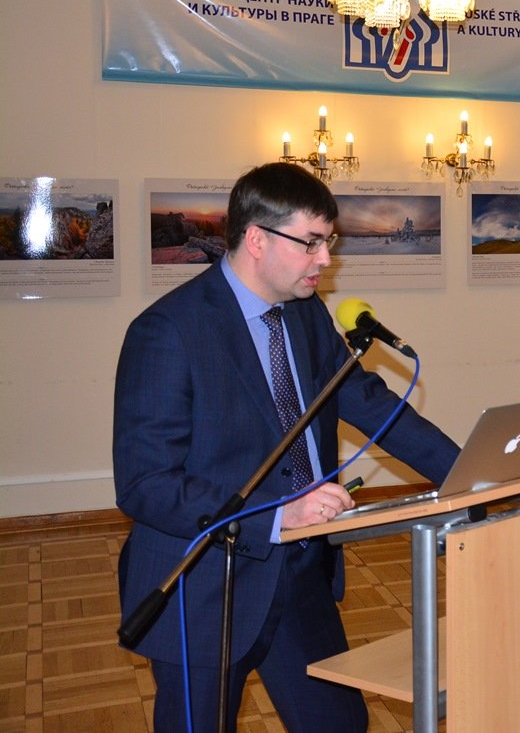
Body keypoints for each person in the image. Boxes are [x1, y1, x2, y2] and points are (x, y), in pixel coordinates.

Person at [113, 162, 460, 732]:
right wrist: (276, 515)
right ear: (257, 239)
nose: (326, 259)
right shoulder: (168, 332)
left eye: (329, 243)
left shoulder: (305, 313)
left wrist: (465, 470)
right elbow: (145, 484)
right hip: (206, 585)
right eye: (312, 243)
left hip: (300, 573)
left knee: (340, 724)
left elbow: (370, 404)